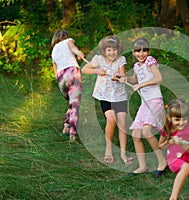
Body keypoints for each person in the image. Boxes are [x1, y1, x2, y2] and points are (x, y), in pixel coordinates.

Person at [119, 38, 168, 177]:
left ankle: (162, 162)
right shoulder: (136, 66)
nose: (141, 53)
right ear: (133, 53)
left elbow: (159, 78)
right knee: (136, 134)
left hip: (155, 101)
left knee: (147, 131)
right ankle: (143, 166)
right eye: (138, 51)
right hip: (144, 103)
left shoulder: (150, 61)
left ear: (148, 51)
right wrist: (125, 78)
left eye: (144, 50)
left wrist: (141, 85)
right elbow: (135, 79)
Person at [81, 36, 133, 165]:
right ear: (104, 51)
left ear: (118, 50)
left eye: (114, 49)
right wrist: (97, 70)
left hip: (119, 96)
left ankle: (123, 153)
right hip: (104, 96)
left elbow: (122, 74)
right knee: (111, 119)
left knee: (122, 123)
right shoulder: (98, 59)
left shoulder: (121, 59)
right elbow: (84, 69)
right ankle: (108, 150)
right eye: (109, 50)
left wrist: (119, 77)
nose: (112, 53)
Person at [158, 99, 189, 200]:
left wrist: (182, 144)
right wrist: (168, 142)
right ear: (169, 118)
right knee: (186, 167)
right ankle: (173, 198)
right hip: (174, 158)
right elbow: (160, 146)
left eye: (184, 119)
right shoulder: (167, 128)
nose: (181, 123)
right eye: (177, 120)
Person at [51, 29, 84, 143]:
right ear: (66, 36)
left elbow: (55, 70)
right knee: (75, 104)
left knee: (71, 102)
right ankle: (72, 134)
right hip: (72, 73)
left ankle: (66, 126)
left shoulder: (54, 50)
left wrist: (60, 82)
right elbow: (73, 48)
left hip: (61, 78)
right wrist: (79, 53)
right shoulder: (68, 41)